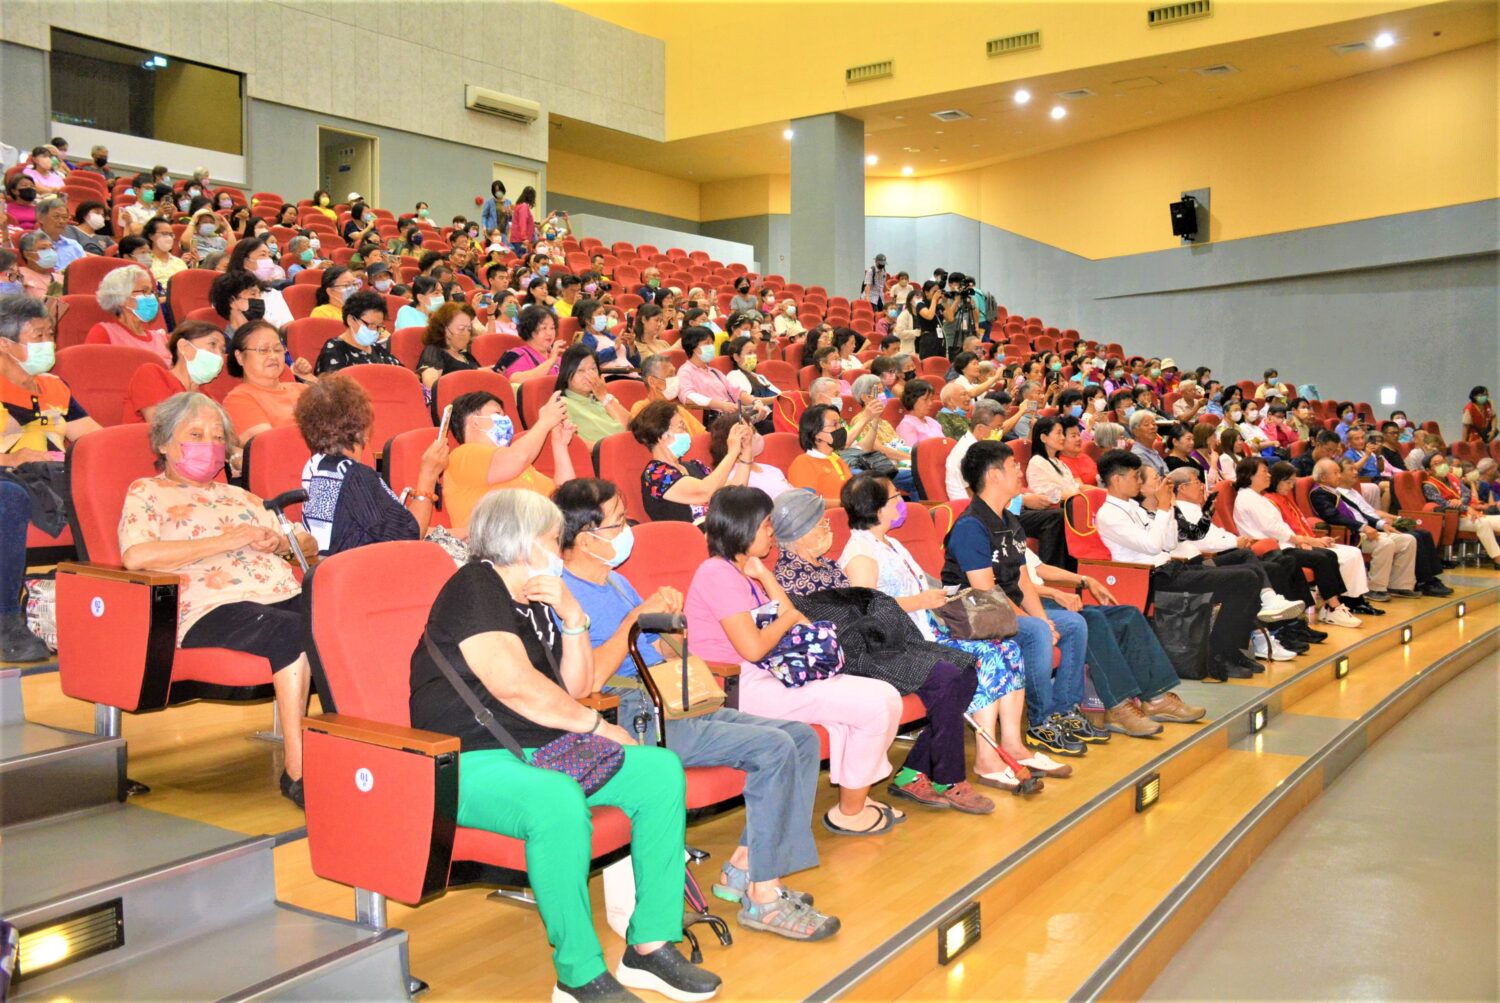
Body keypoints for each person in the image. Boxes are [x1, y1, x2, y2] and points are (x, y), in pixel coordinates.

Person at [408, 489, 722, 1001]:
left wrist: (574, 617)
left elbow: (574, 688)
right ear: (523, 541)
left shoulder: (536, 601)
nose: (560, 549)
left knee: (660, 771)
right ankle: (578, 975)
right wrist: (597, 727)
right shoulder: (474, 586)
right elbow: (515, 686)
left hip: (542, 751)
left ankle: (649, 946)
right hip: (468, 759)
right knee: (556, 799)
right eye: (554, 539)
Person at [554, 479, 839, 941]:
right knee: (773, 748)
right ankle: (764, 897)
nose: (628, 531)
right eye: (619, 523)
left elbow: (662, 651)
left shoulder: (617, 582)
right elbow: (587, 682)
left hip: (670, 697)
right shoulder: (565, 596)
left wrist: (673, 626)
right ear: (586, 538)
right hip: (629, 715)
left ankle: (745, 867)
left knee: (801, 738)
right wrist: (636, 620)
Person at [120, 392, 314, 805]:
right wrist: (227, 540)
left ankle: (360, 751)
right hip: (209, 606)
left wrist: (279, 542)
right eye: (195, 434)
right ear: (163, 443)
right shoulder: (147, 492)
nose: (209, 445)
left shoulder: (242, 497)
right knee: (294, 632)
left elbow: (308, 543)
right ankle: (298, 771)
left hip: (281, 591)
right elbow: (137, 556)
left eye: (217, 437)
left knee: (339, 622)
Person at [685, 486, 906, 836]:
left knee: (882, 695)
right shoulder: (716, 573)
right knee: (876, 704)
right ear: (743, 527)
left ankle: (857, 802)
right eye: (765, 525)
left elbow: (794, 619)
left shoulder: (743, 571)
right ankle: (850, 812)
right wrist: (787, 617)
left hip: (769, 672)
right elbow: (754, 648)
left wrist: (765, 576)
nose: (771, 532)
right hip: (737, 685)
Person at [941, 442, 1104, 760]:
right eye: (1013, 465)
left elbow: (1022, 581)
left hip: (1002, 608)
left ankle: (1064, 711)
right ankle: (1040, 722)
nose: (1020, 471)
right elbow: (986, 591)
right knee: (1037, 631)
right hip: (972, 614)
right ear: (993, 475)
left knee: (1073, 624)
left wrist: (1043, 618)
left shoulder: (1009, 521)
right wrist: (1036, 624)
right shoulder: (971, 526)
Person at [1094, 449, 1299, 679]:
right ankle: (1221, 653)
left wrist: (1168, 508)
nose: (1138, 481)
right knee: (1245, 579)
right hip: (1151, 578)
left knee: (1252, 572)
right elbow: (1152, 547)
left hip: (1171, 568)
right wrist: (1163, 507)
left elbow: (1169, 543)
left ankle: (1229, 650)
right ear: (1116, 479)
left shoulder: (1135, 508)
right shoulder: (1109, 515)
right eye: (1134, 476)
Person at [296, 375, 447, 555]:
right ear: (362, 428)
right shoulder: (355, 477)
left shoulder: (314, 465)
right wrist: (428, 476)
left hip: (333, 566)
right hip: (365, 567)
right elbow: (409, 535)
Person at [1233, 457, 1373, 623]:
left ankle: (1332, 607)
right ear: (1250, 475)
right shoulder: (1247, 498)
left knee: (1329, 555)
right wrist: (1298, 540)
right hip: (1270, 549)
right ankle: (1333, 607)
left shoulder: (1259, 497)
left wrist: (1299, 540)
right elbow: (1271, 528)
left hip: (1282, 543)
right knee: (1321, 558)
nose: (1269, 475)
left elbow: (1281, 526)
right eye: (1264, 471)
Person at [442, 389, 577, 530]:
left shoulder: (521, 465)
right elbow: (518, 458)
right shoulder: (462, 455)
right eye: (497, 414)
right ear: (475, 422)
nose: (506, 420)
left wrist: (560, 445)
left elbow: (566, 497)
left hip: (536, 534)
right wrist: (545, 422)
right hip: (496, 540)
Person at [1310, 458, 1427, 598]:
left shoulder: (1334, 491)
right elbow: (1333, 518)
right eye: (1335, 473)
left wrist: (1382, 524)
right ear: (1323, 477)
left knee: (1408, 540)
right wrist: (1363, 527)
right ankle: (1375, 588)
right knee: (1385, 543)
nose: (1339, 476)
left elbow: (1361, 513)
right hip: (1351, 533)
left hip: (1363, 529)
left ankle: (1399, 585)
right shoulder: (1319, 493)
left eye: (1339, 472)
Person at [631, 400, 750, 523]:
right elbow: (705, 492)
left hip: (720, 528)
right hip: (688, 534)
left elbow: (734, 492)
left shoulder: (695, 466)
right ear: (662, 436)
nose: (687, 433)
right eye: (681, 428)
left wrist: (746, 449)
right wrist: (732, 453)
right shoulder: (655, 474)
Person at [222, 320, 310, 441]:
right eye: (263, 350)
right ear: (240, 357)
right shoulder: (238, 399)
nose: (273, 356)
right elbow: (268, 445)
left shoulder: (302, 389)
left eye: (278, 349)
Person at [123, 320, 226, 424]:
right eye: (212, 344)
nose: (219, 356)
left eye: (222, 350)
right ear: (184, 347)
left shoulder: (207, 398)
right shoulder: (152, 374)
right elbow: (162, 427)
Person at [1421, 451, 1500, 567]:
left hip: (1467, 515)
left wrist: (1460, 502)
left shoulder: (1451, 477)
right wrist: (1465, 507)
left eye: (1443, 461)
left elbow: (1467, 494)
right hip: (1451, 519)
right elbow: (1442, 505)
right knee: (1482, 523)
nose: (1442, 465)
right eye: (1437, 463)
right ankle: (1498, 559)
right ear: (1429, 470)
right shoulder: (1429, 485)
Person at [677, 327, 765, 424]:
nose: (711, 347)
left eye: (712, 343)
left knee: (765, 420)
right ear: (694, 347)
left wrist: (755, 402)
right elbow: (688, 397)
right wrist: (721, 405)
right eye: (707, 343)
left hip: (732, 416)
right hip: (714, 420)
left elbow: (736, 392)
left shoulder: (714, 372)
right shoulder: (685, 371)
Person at [87, 264, 170, 361]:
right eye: (145, 291)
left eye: (151, 292)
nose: (151, 297)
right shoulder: (104, 333)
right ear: (122, 298)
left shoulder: (161, 338)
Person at [556, 345, 632, 446]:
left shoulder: (604, 398)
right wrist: (606, 449)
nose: (589, 375)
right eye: (581, 370)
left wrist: (604, 397)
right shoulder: (562, 405)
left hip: (627, 447)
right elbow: (572, 444)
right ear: (566, 373)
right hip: (604, 453)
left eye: (593, 369)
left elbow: (631, 427)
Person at [314, 290, 401, 374]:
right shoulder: (334, 350)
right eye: (371, 324)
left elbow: (402, 373)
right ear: (351, 320)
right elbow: (332, 383)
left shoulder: (377, 348)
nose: (375, 330)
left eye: (379, 325)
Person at [787, 404, 853, 501]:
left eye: (840, 423)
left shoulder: (838, 460)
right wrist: (848, 504)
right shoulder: (803, 463)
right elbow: (807, 503)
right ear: (816, 433)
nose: (840, 428)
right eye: (834, 424)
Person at [944, 399, 1006, 501]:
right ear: (980, 428)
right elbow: (975, 494)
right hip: (970, 506)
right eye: (997, 428)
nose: (1000, 432)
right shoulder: (965, 453)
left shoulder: (983, 447)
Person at [416, 302, 480, 390]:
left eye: (469, 329)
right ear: (445, 329)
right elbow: (431, 385)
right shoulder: (434, 351)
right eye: (461, 328)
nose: (466, 333)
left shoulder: (466, 355)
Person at [497, 304, 565, 380]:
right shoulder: (517, 354)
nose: (549, 333)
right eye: (544, 328)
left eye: (552, 328)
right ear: (530, 329)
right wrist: (551, 361)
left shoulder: (557, 358)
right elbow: (516, 380)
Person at [1026, 416, 1082, 506]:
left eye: (1063, 433)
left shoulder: (1059, 462)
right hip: (1060, 510)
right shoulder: (1036, 462)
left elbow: (1074, 487)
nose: (1063, 437)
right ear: (1044, 438)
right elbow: (1047, 496)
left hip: (1074, 503)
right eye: (1059, 433)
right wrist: (1081, 497)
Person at [507, 186, 537, 254]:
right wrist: (524, 238)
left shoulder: (519, 206)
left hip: (518, 239)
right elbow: (522, 223)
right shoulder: (524, 206)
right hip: (520, 240)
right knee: (521, 258)